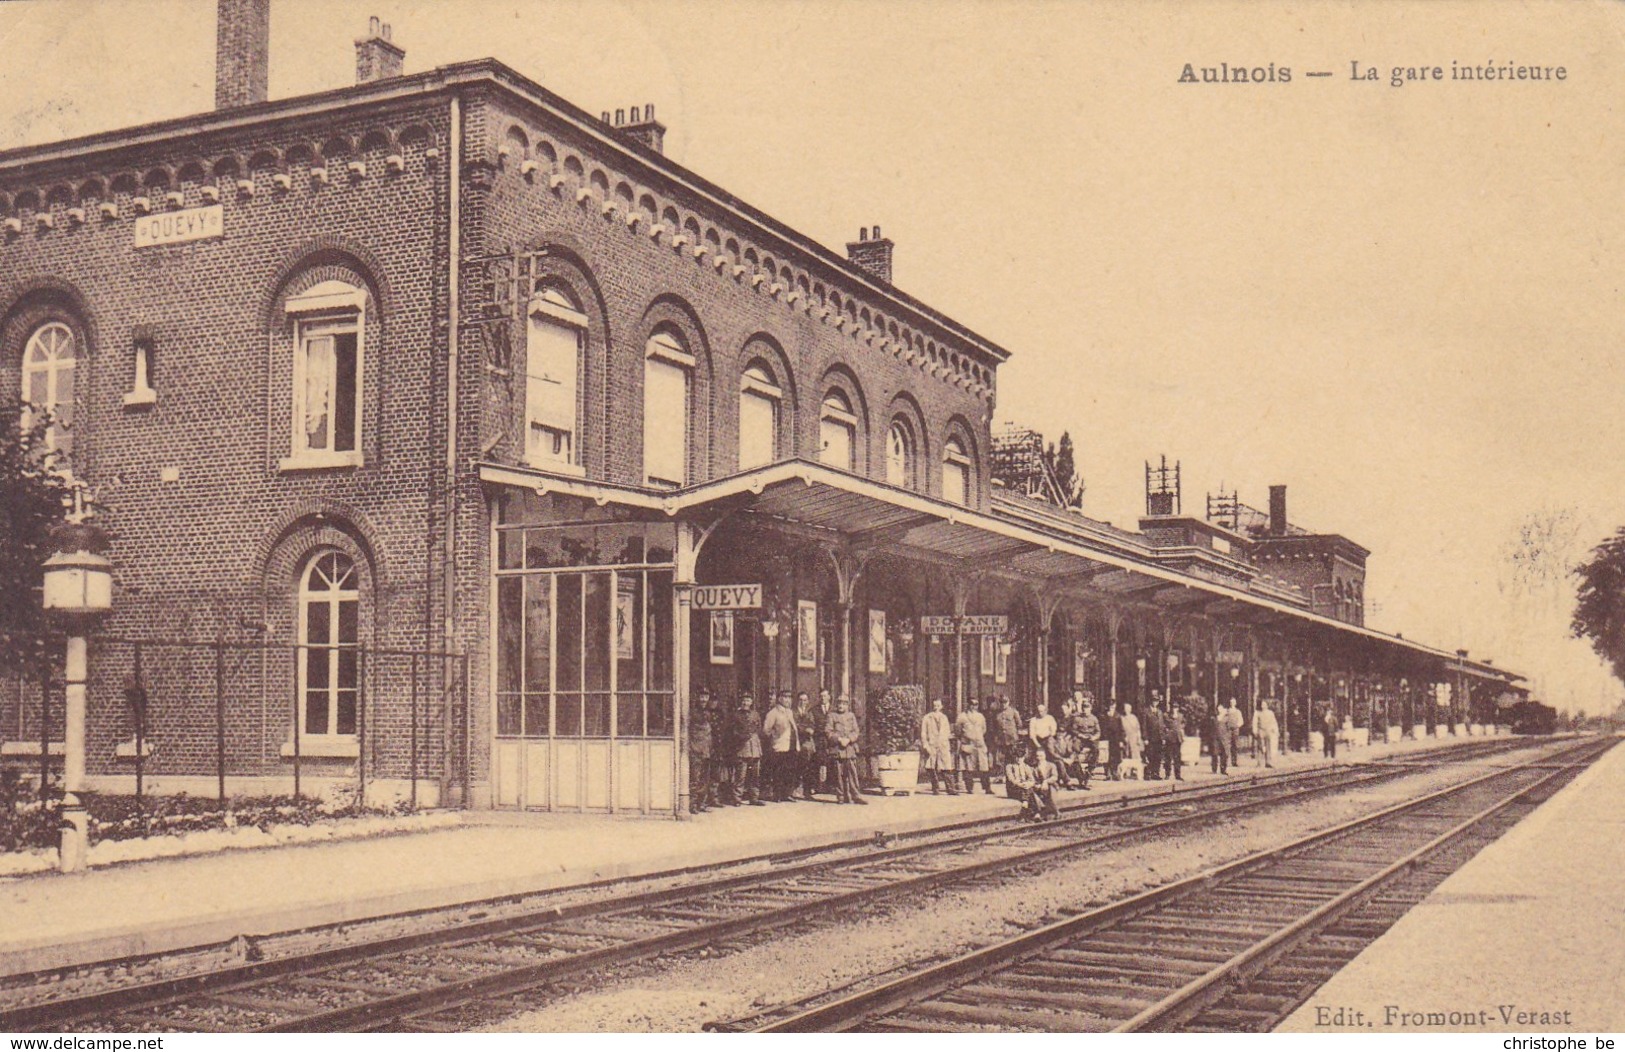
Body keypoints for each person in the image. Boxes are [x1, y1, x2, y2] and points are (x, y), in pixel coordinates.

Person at [828, 695, 867, 804]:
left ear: (847, 705)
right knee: (839, 774)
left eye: (844, 704)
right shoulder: (832, 716)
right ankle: (841, 796)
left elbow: (856, 731)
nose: (841, 706)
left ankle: (855, 795)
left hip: (849, 749)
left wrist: (849, 739)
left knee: (852, 773)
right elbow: (828, 732)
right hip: (838, 749)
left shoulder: (851, 716)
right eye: (839, 703)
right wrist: (839, 739)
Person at [761, 691, 799, 801]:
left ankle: (787, 794)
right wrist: (775, 735)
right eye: (785, 697)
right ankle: (777, 794)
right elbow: (766, 730)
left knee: (789, 770)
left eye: (790, 697)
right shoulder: (773, 713)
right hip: (779, 745)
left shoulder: (789, 712)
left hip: (791, 744)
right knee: (778, 770)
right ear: (779, 699)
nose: (788, 700)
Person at [955, 697, 993, 794]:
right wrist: (966, 737)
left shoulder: (980, 716)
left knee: (984, 767)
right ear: (968, 704)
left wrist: (978, 736)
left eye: (976, 704)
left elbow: (984, 729)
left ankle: (987, 788)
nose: (974, 706)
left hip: (980, 743)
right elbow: (957, 730)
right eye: (972, 704)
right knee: (968, 767)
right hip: (968, 743)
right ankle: (969, 788)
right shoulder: (962, 716)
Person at [920, 697, 957, 794]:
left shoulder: (944, 718)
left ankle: (950, 788)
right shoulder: (927, 718)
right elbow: (923, 733)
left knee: (946, 766)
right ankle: (935, 788)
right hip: (932, 745)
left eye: (938, 705)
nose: (936, 707)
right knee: (932, 767)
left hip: (942, 745)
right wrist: (925, 745)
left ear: (941, 707)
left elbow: (947, 732)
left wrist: (947, 740)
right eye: (934, 705)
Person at [733, 693, 764, 805]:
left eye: (748, 700)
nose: (746, 703)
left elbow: (759, 729)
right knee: (741, 775)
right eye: (744, 700)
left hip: (755, 747)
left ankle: (754, 797)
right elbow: (733, 731)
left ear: (751, 702)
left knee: (755, 774)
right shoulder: (736, 715)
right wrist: (742, 737)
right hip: (742, 748)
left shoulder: (755, 714)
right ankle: (737, 798)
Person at [688, 688, 715, 813]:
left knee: (705, 779)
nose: (704, 699)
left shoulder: (709, 712)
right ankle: (692, 804)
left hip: (707, 750)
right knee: (695, 778)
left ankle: (702, 803)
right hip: (695, 749)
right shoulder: (692, 712)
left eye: (706, 696)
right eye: (702, 696)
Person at [794, 690, 822, 800]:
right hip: (797, 741)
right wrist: (805, 729)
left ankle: (807, 790)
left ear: (808, 701)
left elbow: (813, 724)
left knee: (809, 766)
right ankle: (796, 789)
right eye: (800, 700)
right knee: (797, 765)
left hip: (808, 742)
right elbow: (795, 725)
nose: (802, 702)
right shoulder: (793, 712)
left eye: (805, 700)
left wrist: (811, 729)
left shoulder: (810, 712)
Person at [1070, 699, 1100, 789]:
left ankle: (1089, 770)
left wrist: (1094, 737)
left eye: (1087, 708)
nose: (1085, 710)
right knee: (1075, 751)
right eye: (1084, 708)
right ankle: (1080, 776)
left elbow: (1098, 731)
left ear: (1090, 708)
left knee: (1096, 750)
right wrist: (1080, 735)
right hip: (1081, 737)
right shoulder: (1077, 718)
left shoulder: (1094, 718)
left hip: (1091, 738)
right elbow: (1073, 729)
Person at [814, 688, 837, 794]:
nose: (823, 698)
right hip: (819, 739)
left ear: (829, 697)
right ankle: (817, 786)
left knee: (832, 762)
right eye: (821, 696)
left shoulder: (835, 710)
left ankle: (831, 786)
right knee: (818, 761)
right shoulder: (814, 710)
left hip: (831, 740)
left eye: (825, 696)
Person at [1031, 745, 1061, 820]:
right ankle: (1039, 812)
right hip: (1039, 786)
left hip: (1051, 785)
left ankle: (1056, 811)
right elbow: (1032, 779)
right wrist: (1036, 785)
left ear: (1045, 756)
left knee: (1050, 790)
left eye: (1041, 756)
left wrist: (1046, 782)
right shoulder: (1034, 767)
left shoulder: (1051, 765)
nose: (1039, 758)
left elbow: (1055, 777)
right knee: (1032, 792)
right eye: (1037, 756)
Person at [994, 696, 1022, 775]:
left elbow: (1019, 724)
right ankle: (1000, 775)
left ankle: (1014, 774)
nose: (1003, 705)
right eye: (1001, 703)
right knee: (1000, 758)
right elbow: (995, 726)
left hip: (1011, 739)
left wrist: (1015, 735)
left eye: (1005, 702)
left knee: (1013, 757)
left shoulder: (1013, 712)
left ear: (1008, 702)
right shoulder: (997, 713)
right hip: (1001, 739)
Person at [1142, 698, 1164, 781]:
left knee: (1157, 756)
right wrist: (1145, 738)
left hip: (1159, 738)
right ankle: (1148, 774)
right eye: (1154, 701)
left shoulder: (1159, 712)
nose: (1155, 703)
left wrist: (1163, 737)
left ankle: (1156, 773)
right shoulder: (1146, 711)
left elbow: (1162, 725)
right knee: (1149, 756)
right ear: (1151, 702)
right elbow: (1144, 726)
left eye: (1157, 701)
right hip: (1150, 738)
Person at [1252, 698, 1279, 768]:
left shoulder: (1270, 713)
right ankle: (1259, 763)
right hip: (1261, 731)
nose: (1262, 706)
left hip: (1268, 731)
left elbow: (1274, 722)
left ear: (1267, 705)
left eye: (1264, 704)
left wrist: (1276, 730)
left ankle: (1268, 762)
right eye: (1262, 704)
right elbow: (1254, 722)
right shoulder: (1257, 713)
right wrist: (1255, 731)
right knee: (1260, 747)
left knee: (1268, 747)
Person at [1101, 699, 1123, 781]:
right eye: (1110, 707)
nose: (1111, 708)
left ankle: (1115, 773)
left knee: (1115, 756)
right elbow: (1102, 728)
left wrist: (1121, 740)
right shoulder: (1103, 715)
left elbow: (1121, 729)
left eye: (1113, 707)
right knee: (1106, 756)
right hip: (1106, 739)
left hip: (1116, 739)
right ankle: (1107, 774)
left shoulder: (1118, 716)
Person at [1118, 702, 1143, 777]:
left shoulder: (1134, 717)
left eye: (1128, 709)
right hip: (1126, 738)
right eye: (1125, 709)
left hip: (1134, 738)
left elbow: (1138, 729)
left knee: (1135, 755)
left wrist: (1139, 738)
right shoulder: (1121, 718)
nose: (1127, 710)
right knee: (1126, 754)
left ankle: (1134, 771)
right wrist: (1122, 738)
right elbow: (1120, 729)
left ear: (1130, 709)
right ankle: (1126, 772)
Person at [1205, 698, 1228, 775]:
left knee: (1224, 754)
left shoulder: (1226, 718)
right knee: (1214, 754)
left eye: (1221, 708)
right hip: (1215, 738)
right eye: (1218, 708)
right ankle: (1214, 769)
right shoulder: (1213, 718)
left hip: (1224, 738)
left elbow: (1230, 728)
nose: (1219, 710)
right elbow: (1209, 728)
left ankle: (1223, 769)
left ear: (1224, 709)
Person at [1164, 700, 1186, 781]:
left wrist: (1181, 729)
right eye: (1173, 707)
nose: (1174, 709)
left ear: (1178, 708)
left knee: (1177, 758)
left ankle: (1178, 775)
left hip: (1178, 739)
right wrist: (1167, 732)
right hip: (1169, 739)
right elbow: (1164, 725)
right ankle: (1167, 774)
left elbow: (1184, 723)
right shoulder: (1166, 715)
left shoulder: (1180, 716)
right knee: (1168, 757)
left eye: (1176, 707)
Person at [1223, 698, 1244, 770]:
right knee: (1227, 745)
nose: (1232, 703)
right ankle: (1226, 761)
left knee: (1235, 745)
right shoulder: (1226, 711)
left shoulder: (1238, 711)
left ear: (1235, 703)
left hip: (1235, 730)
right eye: (1231, 702)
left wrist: (1237, 725)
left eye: (1233, 702)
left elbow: (1241, 720)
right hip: (1228, 730)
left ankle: (1234, 761)